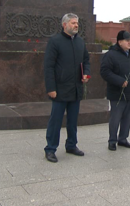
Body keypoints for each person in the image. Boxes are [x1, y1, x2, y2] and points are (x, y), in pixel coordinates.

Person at [43, 13, 90, 163]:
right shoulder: (55, 41)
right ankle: (50, 149)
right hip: (59, 89)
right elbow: (48, 67)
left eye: (77, 23)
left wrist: (86, 74)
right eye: (73, 23)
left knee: (72, 120)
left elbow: (86, 61)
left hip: (76, 88)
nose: (76, 25)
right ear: (64, 25)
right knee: (55, 121)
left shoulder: (80, 42)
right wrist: (51, 88)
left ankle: (71, 145)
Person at [100, 30, 130, 151]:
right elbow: (105, 72)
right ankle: (112, 140)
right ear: (119, 42)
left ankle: (123, 138)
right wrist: (119, 81)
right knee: (116, 117)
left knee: (128, 117)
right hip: (117, 93)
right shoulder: (110, 55)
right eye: (127, 40)